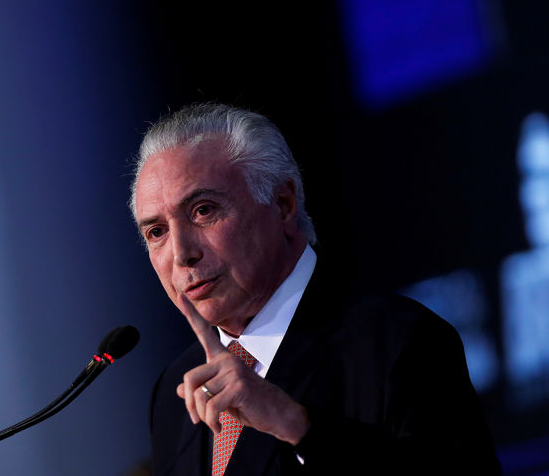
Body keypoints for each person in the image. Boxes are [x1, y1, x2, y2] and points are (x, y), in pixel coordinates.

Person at [130, 103, 501, 475]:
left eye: (203, 211)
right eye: (156, 232)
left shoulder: (398, 339)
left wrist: (296, 426)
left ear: (283, 205)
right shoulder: (174, 391)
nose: (181, 254)